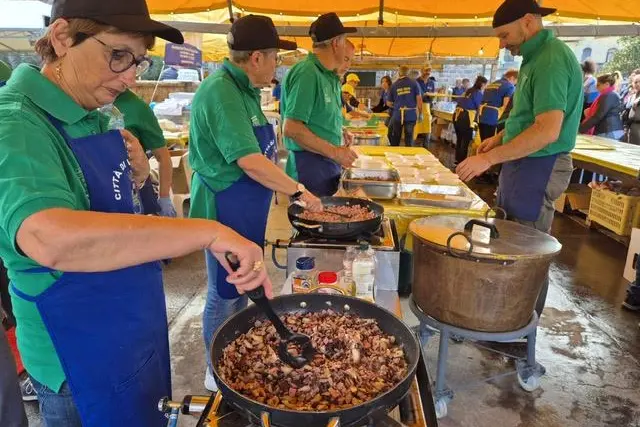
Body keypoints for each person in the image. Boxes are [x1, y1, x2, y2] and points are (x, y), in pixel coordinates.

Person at [0, 1, 273, 426]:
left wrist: (141, 178)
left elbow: (117, 212)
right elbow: (49, 238)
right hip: (78, 357)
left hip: (134, 326)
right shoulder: (16, 121)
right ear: (62, 37)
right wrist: (209, 232)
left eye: (139, 61)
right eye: (119, 55)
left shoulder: (94, 113)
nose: (130, 76)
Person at [188, 15, 322, 392]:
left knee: (246, 284)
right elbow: (249, 160)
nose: (277, 65)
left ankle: (235, 352)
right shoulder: (220, 92)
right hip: (225, 204)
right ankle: (215, 370)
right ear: (257, 58)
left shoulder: (244, 91)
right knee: (224, 291)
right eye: (275, 57)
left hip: (247, 204)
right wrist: (297, 190)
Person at [456, 0, 582, 317]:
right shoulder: (533, 58)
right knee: (509, 241)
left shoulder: (551, 60)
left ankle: (520, 325)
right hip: (523, 163)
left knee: (527, 251)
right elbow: (526, 119)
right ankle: (504, 318)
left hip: (540, 164)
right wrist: (499, 138)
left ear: (527, 22)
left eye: (504, 35)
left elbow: (547, 130)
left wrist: (490, 159)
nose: (502, 44)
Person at [281, 12, 358, 197]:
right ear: (335, 43)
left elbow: (317, 118)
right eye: (343, 40)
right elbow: (292, 128)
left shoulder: (329, 76)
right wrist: (335, 152)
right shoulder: (308, 73)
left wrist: (339, 131)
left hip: (325, 161)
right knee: (312, 224)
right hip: (309, 164)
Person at [114, 89, 176, 216]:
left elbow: (163, 157)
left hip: (136, 188)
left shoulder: (137, 108)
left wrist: (164, 198)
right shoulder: (86, 103)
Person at [454, 75, 488, 164]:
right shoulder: (478, 93)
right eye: (485, 85)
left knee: (460, 139)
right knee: (465, 140)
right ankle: (462, 162)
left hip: (457, 115)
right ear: (482, 84)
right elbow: (479, 107)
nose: (485, 87)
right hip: (466, 117)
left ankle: (457, 160)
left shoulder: (468, 90)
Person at [579, 73, 624, 140]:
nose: (596, 88)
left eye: (598, 85)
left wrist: (580, 129)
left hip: (608, 131)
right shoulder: (611, 94)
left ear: (607, 84)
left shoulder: (608, 95)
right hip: (610, 130)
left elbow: (598, 116)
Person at [478, 69, 518, 141]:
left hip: (482, 116)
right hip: (493, 118)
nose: (515, 84)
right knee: (490, 145)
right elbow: (506, 105)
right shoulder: (509, 86)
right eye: (516, 81)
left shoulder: (492, 84)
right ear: (512, 78)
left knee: (483, 142)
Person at [387, 65, 422, 147]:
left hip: (397, 115)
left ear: (399, 73)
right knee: (409, 139)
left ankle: (394, 156)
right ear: (408, 73)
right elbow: (419, 100)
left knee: (395, 138)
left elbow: (388, 103)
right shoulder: (414, 83)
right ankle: (409, 157)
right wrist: (420, 113)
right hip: (410, 115)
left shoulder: (394, 85)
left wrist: (396, 105)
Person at [624, 74, 640, 145]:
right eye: (636, 82)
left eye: (639, 82)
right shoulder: (632, 96)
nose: (637, 84)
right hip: (631, 127)